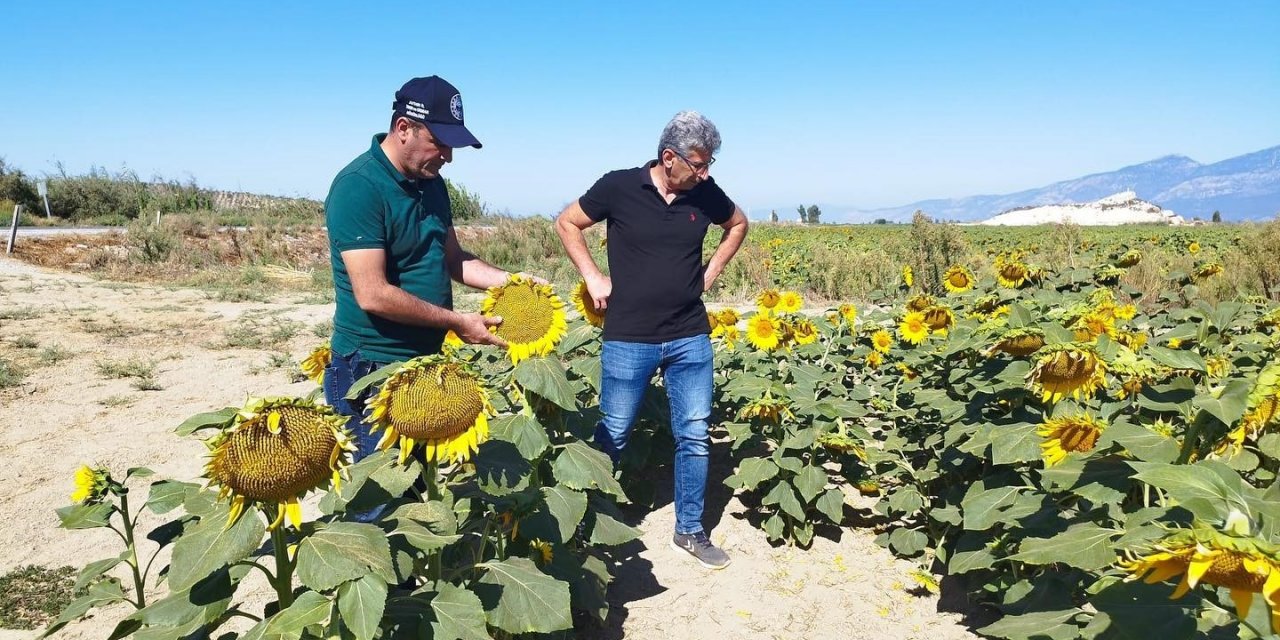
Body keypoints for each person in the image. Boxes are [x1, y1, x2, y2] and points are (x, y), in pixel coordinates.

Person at [322, 75, 528, 519]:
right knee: (375, 505)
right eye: (440, 143)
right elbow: (373, 294)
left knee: (417, 492)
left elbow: (454, 260)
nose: (448, 156)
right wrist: (457, 322)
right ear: (403, 128)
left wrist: (512, 283)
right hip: (370, 368)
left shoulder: (431, 183)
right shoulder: (358, 187)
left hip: (424, 364)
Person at [555, 111, 749, 569]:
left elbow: (738, 224)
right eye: (698, 164)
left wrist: (710, 273)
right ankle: (591, 524)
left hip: (689, 335)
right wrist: (592, 275)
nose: (705, 174)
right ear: (669, 157)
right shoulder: (619, 186)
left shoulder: (705, 193)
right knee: (614, 431)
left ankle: (690, 529)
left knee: (695, 433)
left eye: (709, 164)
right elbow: (567, 223)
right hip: (629, 336)